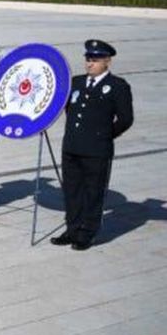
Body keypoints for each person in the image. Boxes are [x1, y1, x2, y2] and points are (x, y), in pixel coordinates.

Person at [54, 40, 134, 251]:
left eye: (95, 60)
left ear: (107, 61)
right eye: (88, 59)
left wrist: (104, 136)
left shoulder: (117, 86)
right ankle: (72, 229)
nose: (90, 64)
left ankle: (86, 233)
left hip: (97, 150)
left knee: (93, 192)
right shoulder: (76, 82)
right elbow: (69, 110)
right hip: (71, 147)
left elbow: (126, 119)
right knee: (72, 191)